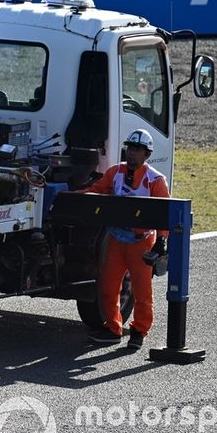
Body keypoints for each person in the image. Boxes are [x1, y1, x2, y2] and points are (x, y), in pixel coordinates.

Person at [80, 129, 169, 349]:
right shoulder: (114, 172)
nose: (131, 154)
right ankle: (112, 329)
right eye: (130, 148)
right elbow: (96, 190)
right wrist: (78, 196)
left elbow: (165, 214)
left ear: (146, 155)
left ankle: (139, 331)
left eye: (137, 150)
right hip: (115, 239)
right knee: (109, 287)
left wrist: (161, 242)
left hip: (141, 242)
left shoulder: (156, 181)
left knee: (141, 291)